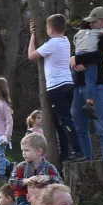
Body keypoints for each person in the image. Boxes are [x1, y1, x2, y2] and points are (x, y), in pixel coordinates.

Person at [26, 14, 79, 162]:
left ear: (50, 28)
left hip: (57, 87)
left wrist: (32, 36)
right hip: (68, 83)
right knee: (61, 121)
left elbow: (31, 55)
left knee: (65, 120)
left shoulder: (52, 44)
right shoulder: (65, 41)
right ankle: (65, 153)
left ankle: (77, 150)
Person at [70, 8, 103, 163]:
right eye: (90, 22)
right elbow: (78, 50)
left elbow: (101, 55)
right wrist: (74, 60)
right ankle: (86, 162)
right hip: (79, 85)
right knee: (79, 128)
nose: (91, 24)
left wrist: (77, 59)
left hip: (99, 86)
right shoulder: (86, 34)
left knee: (102, 129)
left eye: (94, 21)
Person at [10, 133, 61, 205]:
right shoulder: (21, 166)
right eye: (22, 150)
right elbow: (12, 182)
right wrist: (25, 181)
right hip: (24, 199)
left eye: (27, 150)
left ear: (39, 151)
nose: (23, 153)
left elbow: (60, 183)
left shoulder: (49, 167)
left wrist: (49, 178)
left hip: (45, 199)